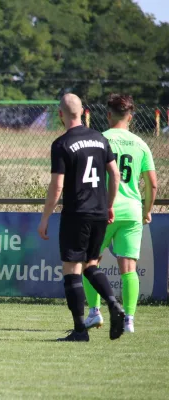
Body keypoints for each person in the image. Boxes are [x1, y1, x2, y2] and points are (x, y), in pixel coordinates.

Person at [37, 93, 124, 342]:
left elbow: (57, 186)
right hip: (99, 212)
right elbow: (114, 175)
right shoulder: (100, 138)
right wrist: (109, 205)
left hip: (77, 213)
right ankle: (112, 302)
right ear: (84, 112)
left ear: (60, 115)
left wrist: (45, 218)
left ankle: (79, 330)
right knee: (91, 266)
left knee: (71, 271)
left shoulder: (61, 144)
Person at [83, 94, 157, 333]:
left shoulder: (100, 139)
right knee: (128, 268)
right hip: (132, 211)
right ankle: (129, 320)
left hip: (103, 210)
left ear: (108, 115)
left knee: (90, 262)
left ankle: (95, 313)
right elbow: (153, 185)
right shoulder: (141, 144)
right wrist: (146, 212)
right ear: (131, 117)